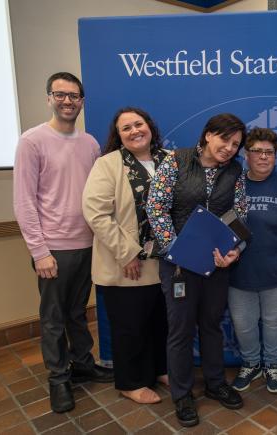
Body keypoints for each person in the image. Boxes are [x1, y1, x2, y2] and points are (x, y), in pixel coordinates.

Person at [13, 72, 113, 414]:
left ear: (81, 102)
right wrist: (39, 251)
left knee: (77, 313)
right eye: (60, 94)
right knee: (53, 317)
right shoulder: (32, 141)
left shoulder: (90, 144)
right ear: (49, 98)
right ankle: (58, 378)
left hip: (88, 244)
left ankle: (82, 364)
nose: (67, 101)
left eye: (74, 96)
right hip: (52, 248)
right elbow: (24, 200)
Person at [146, 113, 248, 427]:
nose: (229, 148)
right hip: (178, 266)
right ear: (207, 135)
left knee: (212, 325)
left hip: (217, 266)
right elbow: (156, 206)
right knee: (180, 330)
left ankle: (216, 384)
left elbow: (240, 214)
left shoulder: (235, 170)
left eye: (235, 144)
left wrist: (234, 252)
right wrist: (176, 249)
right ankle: (182, 394)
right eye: (224, 140)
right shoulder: (175, 161)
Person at [82, 107, 169, 404]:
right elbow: (96, 214)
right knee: (130, 327)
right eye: (126, 128)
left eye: (139, 124)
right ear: (118, 136)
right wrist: (127, 253)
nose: (134, 131)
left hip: (165, 263)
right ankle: (130, 382)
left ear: (150, 126)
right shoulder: (107, 164)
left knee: (160, 321)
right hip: (127, 264)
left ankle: (160, 369)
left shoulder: (169, 160)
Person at [228, 127, 277, 394]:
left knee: (274, 322)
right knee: (243, 323)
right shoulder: (233, 184)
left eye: (269, 152)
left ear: (275, 155)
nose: (263, 157)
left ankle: (272, 365)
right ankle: (251, 363)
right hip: (238, 271)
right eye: (257, 151)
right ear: (246, 155)